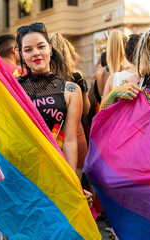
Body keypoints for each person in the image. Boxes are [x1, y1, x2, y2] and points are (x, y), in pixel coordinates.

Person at [16, 22, 93, 207]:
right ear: (21, 54)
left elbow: (70, 140)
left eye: (41, 46)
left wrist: (72, 181)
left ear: (50, 49)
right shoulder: (14, 88)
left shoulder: (71, 90)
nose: (36, 53)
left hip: (55, 170)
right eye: (28, 49)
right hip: (22, 172)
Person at [49, 32, 89, 181]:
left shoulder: (42, 82)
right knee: (75, 184)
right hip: (76, 135)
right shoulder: (76, 77)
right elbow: (85, 110)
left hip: (52, 135)